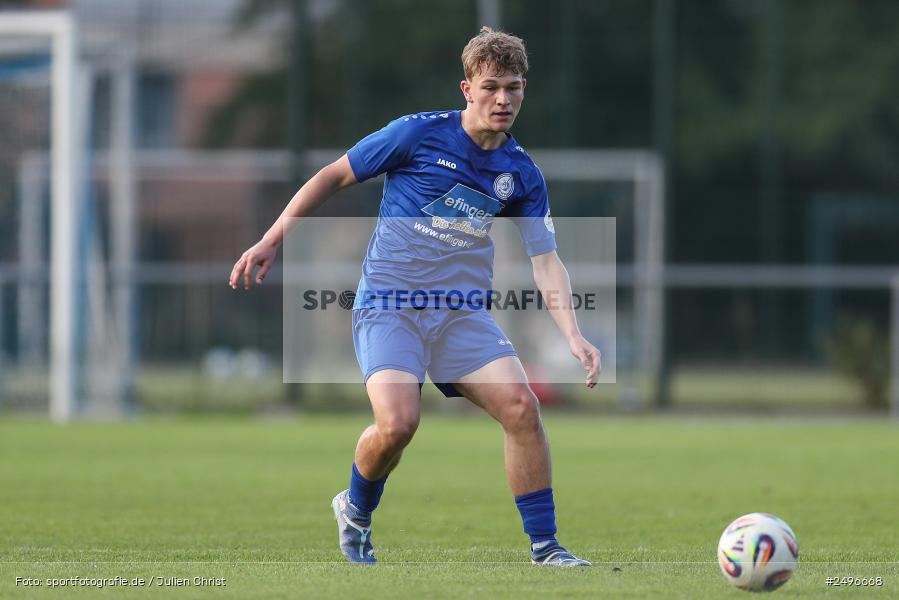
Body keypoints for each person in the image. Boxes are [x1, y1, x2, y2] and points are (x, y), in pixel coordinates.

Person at [230, 26, 600, 567]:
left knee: (523, 408)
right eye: (492, 86)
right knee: (399, 423)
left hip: (460, 317)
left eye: (514, 87)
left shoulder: (521, 174)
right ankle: (355, 511)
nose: (504, 99)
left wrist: (573, 333)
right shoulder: (417, 135)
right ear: (467, 89)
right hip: (390, 307)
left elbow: (546, 260)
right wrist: (273, 236)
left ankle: (545, 548)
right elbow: (334, 175)